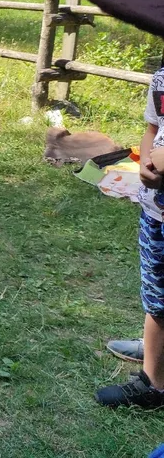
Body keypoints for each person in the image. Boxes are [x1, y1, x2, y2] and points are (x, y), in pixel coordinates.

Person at [94, 69, 164, 408]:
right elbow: (152, 130)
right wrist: (147, 164)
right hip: (156, 211)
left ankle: (155, 385)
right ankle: (156, 350)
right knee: (157, 295)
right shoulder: (163, 79)